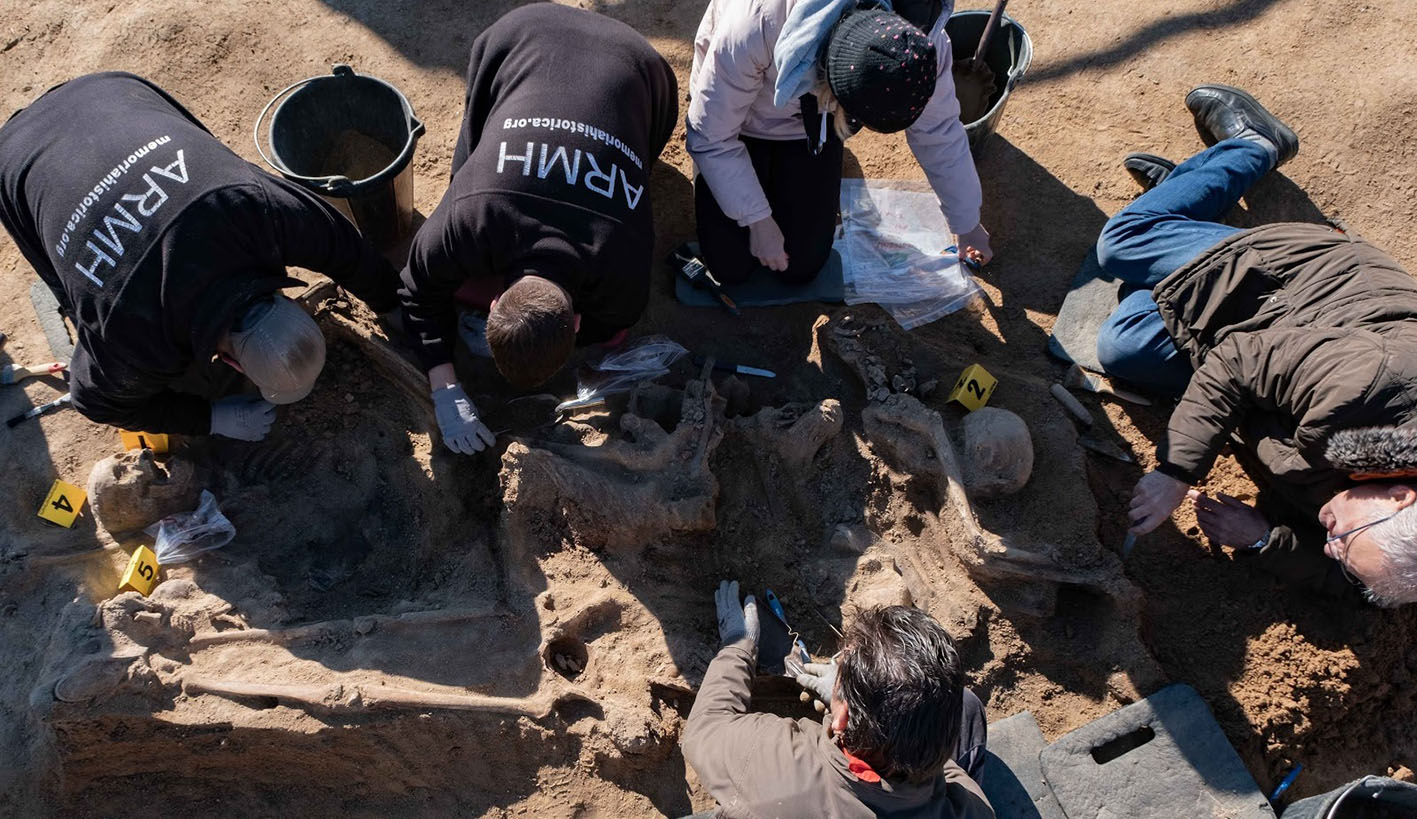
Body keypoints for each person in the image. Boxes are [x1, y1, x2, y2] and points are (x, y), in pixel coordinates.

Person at [1095, 85, 1417, 605]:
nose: (1330, 546)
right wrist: (1177, 472)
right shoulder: (1375, 385)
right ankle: (1256, 146)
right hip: (1297, 284)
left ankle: (1190, 211)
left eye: (1338, 549)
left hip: (1279, 362)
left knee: (1122, 347)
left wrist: (1265, 541)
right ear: (1401, 498)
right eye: (1343, 540)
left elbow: (1354, 589)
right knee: (1121, 243)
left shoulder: (1392, 538)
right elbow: (1238, 362)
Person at [0, 72, 400, 441]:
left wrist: (396, 308)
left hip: (109, 93)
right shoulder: (132, 339)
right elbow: (94, 400)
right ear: (233, 364)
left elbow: (347, 249)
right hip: (17, 157)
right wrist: (208, 420)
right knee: (75, 295)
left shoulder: (259, 210)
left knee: (212, 156)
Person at [397, 4, 678, 455]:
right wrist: (444, 387)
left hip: (641, 66)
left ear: (492, 302)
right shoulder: (471, 215)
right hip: (523, 37)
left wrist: (443, 370)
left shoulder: (623, 277)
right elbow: (415, 289)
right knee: (471, 160)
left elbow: (419, 294)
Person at [686, 0, 992, 288]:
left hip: (815, 124)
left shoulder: (919, 41)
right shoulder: (757, 23)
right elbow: (711, 135)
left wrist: (966, 221)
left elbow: (938, 129)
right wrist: (758, 222)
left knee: (802, 266)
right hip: (736, 122)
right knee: (729, 267)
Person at [682, 581, 993, 818]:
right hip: (911, 775)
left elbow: (704, 729)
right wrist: (924, 750)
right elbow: (955, 783)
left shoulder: (774, 761)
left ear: (842, 714)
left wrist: (738, 646)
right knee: (965, 707)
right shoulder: (970, 810)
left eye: (840, 670)